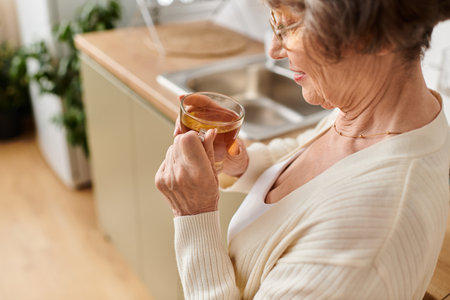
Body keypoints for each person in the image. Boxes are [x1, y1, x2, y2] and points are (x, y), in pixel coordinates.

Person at [155, 0, 450, 298]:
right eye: (274, 22)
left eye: (289, 25)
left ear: (377, 35)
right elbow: (309, 153)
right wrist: (238, 162)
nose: (274, 50)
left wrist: (194, 214)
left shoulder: (362, 243)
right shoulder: (372, 115)